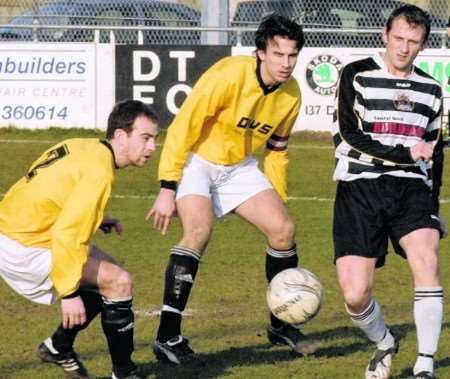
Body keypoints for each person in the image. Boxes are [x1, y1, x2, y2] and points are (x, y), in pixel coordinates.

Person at [146, 13, 314, 365]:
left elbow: (278, 150)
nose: (286, 63)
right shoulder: (228, 74)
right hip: (198, 159)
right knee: (198, 230)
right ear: (260, 53)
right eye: (278, 54)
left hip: (238, 166)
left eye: (292, 55)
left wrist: (276, 199)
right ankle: (167, 336)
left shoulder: (292, 94)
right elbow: (183, 128)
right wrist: (168, 185)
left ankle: (281, 323)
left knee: (283, 230)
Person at [0, 100, 158, 379]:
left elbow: (45, 184)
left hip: (18, 228)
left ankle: (59, 346)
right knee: (118, 282)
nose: (152, 147)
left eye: (154, 139)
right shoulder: (100, 171)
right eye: (145, 138)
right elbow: (67, 234)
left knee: (107, 279)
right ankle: (124, 373)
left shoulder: (84, 145)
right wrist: (69, 293)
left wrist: (97, 218)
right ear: (121, 136)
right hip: (23, 245)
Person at [331, 5, 445, 379]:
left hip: (411, 187)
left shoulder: (431, 89)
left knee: (427, 260)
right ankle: (384, 341)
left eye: (413, 42)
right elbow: (349, 135)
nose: (404, 48)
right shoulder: (356, 74)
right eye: (398, 38)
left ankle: (425, 365)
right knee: (354, 294)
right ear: (385, 35)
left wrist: (433, 202)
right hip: (359, 187)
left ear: (423, 45)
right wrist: (402, 152)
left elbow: (434, 151)